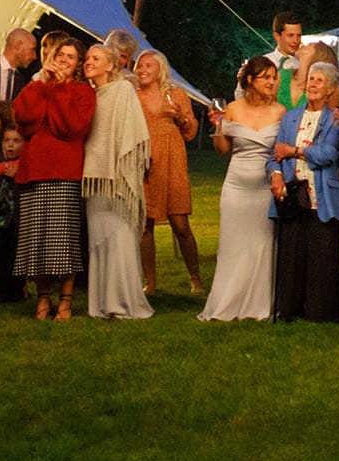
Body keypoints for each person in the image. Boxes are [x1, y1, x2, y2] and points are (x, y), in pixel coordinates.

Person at [12, 32, 95, 321]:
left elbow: (69, 127)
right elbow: (23, 120)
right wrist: (42, 86)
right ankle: (43, 298)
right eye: (60, 56)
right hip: (34, 171)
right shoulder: (38, 86)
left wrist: (58, 90)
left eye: (70, 58)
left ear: (78, 65)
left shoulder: (83, 93)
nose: (63, 62)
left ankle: (66, 300)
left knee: (64, 242)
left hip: (64, 172)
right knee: (38, 241)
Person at [199, 55, 283, 323]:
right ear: (250, 80)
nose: (271, 82)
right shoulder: (233, 109)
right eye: (266, 77)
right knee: (233, 246)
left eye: (273, 77)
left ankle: (259, 304)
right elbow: (223, 151)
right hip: (236, 185)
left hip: (265, 187)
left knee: (262, 245)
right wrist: (218, 127)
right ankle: (228, 301)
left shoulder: (281, 112)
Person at [269, 56, 339, 322]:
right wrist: (276, 175)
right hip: (293, 194)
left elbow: (328, 153)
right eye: (311, 79)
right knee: (292, 253)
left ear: (330, 90)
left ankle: (321, 312)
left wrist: (295, 150)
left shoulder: (335, 120)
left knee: (321, 255)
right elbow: (274, 155)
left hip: (321, 194)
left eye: (320, 81)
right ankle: (290, 309)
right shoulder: (290, 118)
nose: (313, 84)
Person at [81, 42, 153, 320]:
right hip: (95, 176)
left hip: (118, 179)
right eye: (87, 58)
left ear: (111, 65)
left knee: (119, 237)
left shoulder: (123, 90)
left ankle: (123, 302)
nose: (89, 62)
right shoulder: (89, 94)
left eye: (96, 58)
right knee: (98, 239)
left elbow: (132, 132)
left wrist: (123, 166)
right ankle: (100, 303)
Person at [133, 50, 202, 295]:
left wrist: (182, 117)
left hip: (172, 161)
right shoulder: (133, 96)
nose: (142, 69)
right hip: (145, 162)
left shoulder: (175, 94)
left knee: (180, 223)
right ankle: (150, 282)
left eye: (148, 65)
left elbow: (190, 132)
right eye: (139, 65)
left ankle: (195, 277)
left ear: (160, 69)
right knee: (145, 224)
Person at [0, 114, 23, 302]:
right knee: (0, 254)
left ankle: (16, 291)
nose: (10, 145)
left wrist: (17, 177)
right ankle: (3, 289)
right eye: (7, 140)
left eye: (16, 141)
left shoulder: (23, 168)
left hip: (16, 221)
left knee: (13, 255)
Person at [263, 12, 306, 106]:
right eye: (290, 35)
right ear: (276, 36)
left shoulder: (303, 64)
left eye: (299, 35)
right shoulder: (263, 63)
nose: (296, 41)